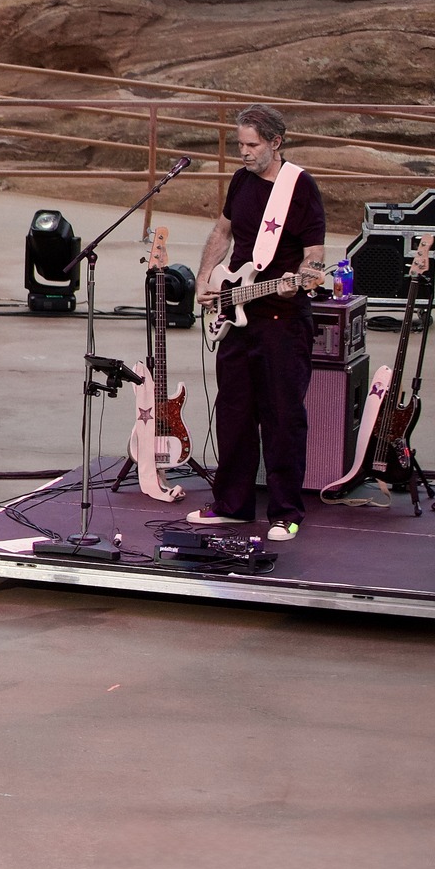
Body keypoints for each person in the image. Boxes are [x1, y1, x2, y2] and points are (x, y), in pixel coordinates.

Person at [189, 105, 326, 542]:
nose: (244, 153)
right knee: (233, 413)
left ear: (275, 143)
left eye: (252, 145)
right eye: (240, 145)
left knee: (283, 417)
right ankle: (232, 505)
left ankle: (286, 512)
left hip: (283, 321)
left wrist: (299, 283)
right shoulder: (241, 180)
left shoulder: (299, 187)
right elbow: (222, 232)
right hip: (235, 314)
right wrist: (205, 278)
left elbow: (314, 258)